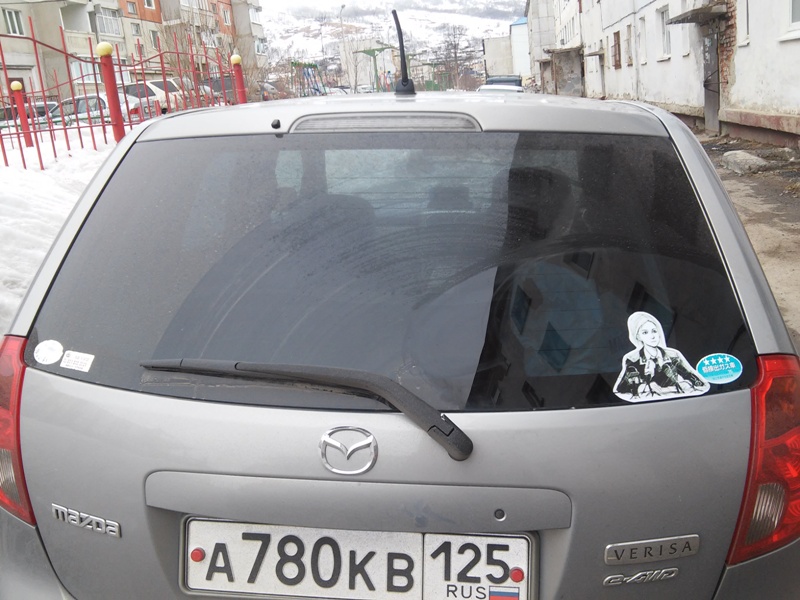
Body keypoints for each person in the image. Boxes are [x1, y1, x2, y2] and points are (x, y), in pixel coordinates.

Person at [613, 311, 709, 401]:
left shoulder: (673, 355)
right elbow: (622, 390)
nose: (652, 336)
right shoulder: (633, 359)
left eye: (654, 331)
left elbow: (697, 382)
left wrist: (670, 388)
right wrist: (644, 386)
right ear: (638, 336)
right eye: (645, 332)